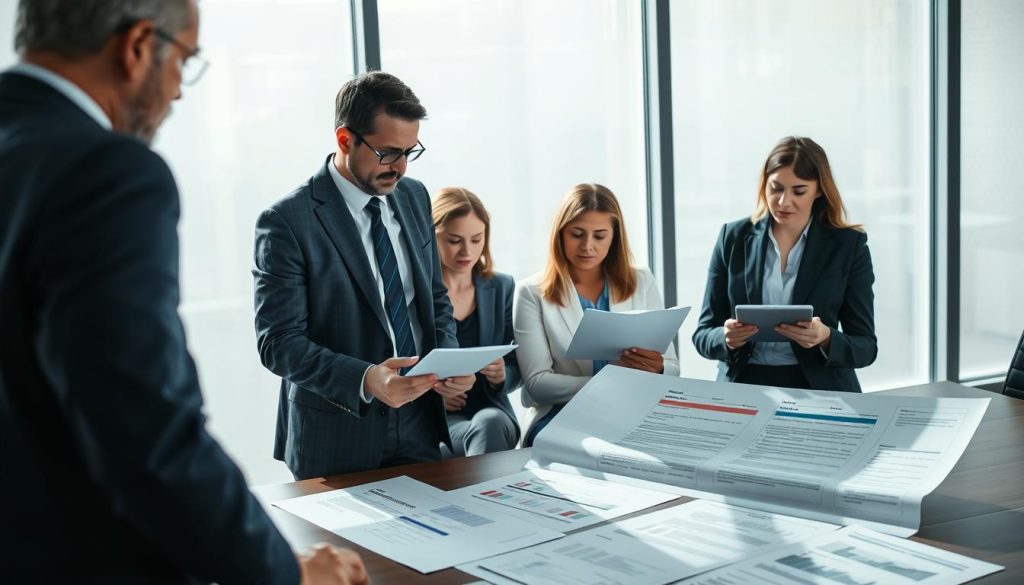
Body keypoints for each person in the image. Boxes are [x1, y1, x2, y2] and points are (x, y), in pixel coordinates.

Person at [0, 1, 365, 583]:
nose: (175, 93)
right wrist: (284, 574)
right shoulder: (104, 172)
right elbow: (144, 429)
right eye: (184, 61)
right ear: (138, 46)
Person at [253, 71, 475, 479]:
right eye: (389, 153)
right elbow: (278, 343)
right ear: (345, 140)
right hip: (337, 431)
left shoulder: (413, 197)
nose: (402, 167)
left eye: (411, 151)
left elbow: (433, 298)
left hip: (419, 423)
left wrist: (446, 361)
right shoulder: (287, 221)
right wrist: (367, 379)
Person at [692, 136, 877, 391]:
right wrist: (726, 338)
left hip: (818, 384)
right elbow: (702, 335)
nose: (783, 201)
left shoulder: (848, 245)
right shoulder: (732, 238)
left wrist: (825, 338)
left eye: (798, 191)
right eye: (776, 188)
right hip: (745, 381)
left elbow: (866, 347)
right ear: (763, 185)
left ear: (819, 190)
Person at [514, 184, 680, 447]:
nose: (587, 246)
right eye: (577, 234)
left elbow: (672, 368)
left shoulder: (641, 280)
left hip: (633, 410)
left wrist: (657, 368)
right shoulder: (531, 292)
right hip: (563, 412)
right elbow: (537, 384)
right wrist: (606, 383)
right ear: (560, 234)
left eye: (599, 236)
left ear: (614, 237)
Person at [432, 187, 521, 455]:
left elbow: (518, 367)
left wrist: (502, 375)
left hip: (492, 410)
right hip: (438, 419)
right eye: (454, 240)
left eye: (476, 239)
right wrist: (433, 397)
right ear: (431, 237)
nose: (466, 252)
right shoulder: (416, 294)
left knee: (488, 422)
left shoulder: (502, 287)